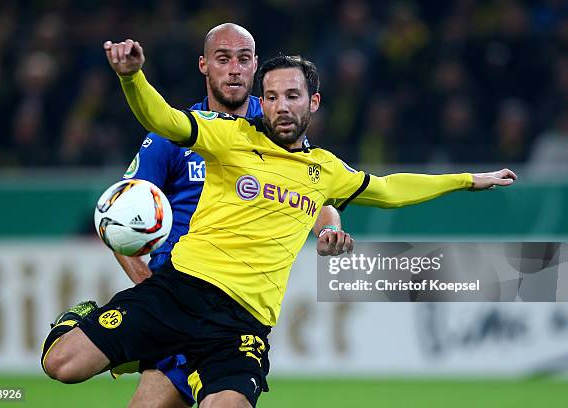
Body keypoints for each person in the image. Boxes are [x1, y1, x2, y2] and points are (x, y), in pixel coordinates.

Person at [41, 38, 516, 408]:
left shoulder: (325, 170)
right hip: (177, 292)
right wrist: (131, 78)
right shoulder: (228, 136)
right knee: (60, 366)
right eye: (270, 97)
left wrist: (467, 179)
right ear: (260, 103)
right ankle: (80, 319)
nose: (281, 106)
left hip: (240, 325)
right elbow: (164, 120)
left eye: (292, 95)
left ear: (313, 103)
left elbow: (389, 189)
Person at [48, 24, 354, 408]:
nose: (234, 70)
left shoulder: (277, 123)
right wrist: (146, 284)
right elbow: (118, 213)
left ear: (256, 66)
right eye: (223, 59)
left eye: (244, 60)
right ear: (204, 66)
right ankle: (91, 323)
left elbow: (315, 191)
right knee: (68, 367)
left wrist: (330, 230)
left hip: (229, 313)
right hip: (174, 295)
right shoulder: (175, 133)